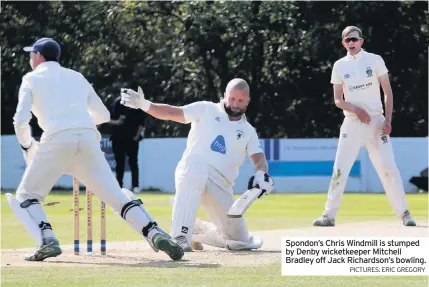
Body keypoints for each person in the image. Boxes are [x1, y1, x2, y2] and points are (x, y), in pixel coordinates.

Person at [9, 37, 184, 261]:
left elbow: (20, 120)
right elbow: (103, 115)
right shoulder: (77, 77)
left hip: (56, 140)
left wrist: (28, 145)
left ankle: (48, 240)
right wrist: (80, 123)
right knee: (117, 197)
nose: (30, 59)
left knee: (27, 194)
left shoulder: (31, 79)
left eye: (31, 55)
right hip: (88, 140)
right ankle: (154, 232)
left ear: (38, 56)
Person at [120, 78, 274, 252]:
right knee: (196, 163)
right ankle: (180, 236)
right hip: (192, 172)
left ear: (247, 101)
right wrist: (145, 104)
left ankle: (194, 231)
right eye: (232, 98)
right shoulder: (206, 109)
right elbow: (172, 113)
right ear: (225, 95)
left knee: (240, 242)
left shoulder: (248, 131)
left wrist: (262, 174)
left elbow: (259, 158)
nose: (235, 104)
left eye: (240, 100)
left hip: (220, 185)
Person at [313, 26, 416, 227]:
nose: (351, 43)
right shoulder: (339, 66)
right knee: (340, 168)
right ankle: (329, 215)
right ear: (343, 43)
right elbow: (337, 100)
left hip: (377, 122)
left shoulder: (375, 60)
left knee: (388, 167)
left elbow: (388, 92)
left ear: (361, 41)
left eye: (354, 39)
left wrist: (388, 120)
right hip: (352, 123)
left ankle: (404, 213)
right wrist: (356, 110)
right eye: (347, 40)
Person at [109, 95, 145, 193]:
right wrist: (117, 122)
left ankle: (135, 185)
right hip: (118, 138)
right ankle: (119, 185)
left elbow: (141, 123)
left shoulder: (137, 105)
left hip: (132, 139)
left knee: (133, 163)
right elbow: (107, 118)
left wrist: (137, 136)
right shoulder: (117, 103)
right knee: (119, 163)